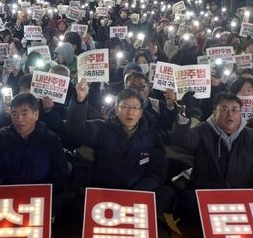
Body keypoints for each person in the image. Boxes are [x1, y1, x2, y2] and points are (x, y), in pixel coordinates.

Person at [171, 92, 253, 228]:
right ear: (214, 112)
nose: (230, 114)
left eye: (235, 109)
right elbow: (182, 140)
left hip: (240, 197)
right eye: (224, 109)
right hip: (207, 197)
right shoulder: (202, 131)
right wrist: (184, 116)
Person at [67, 82, 174, 214]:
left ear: (141, 112)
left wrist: (138, 191)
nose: (130, 112)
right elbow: (77, 130)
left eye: (135, 108)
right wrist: (80, 101)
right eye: (125, 107)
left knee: (166, 194)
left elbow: (158, 171)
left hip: (137, 192)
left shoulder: (152, 136)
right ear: (117, 109)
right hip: (105, 191)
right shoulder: (102, 128)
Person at [0, 93, 69, 215]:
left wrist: (40, 191)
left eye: (24, 114)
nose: (19, 118)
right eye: (14, 114)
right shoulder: (1, 136)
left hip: (40, 198)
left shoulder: (50, 138)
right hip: (9, 197)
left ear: (36, 115)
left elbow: (60, 171)